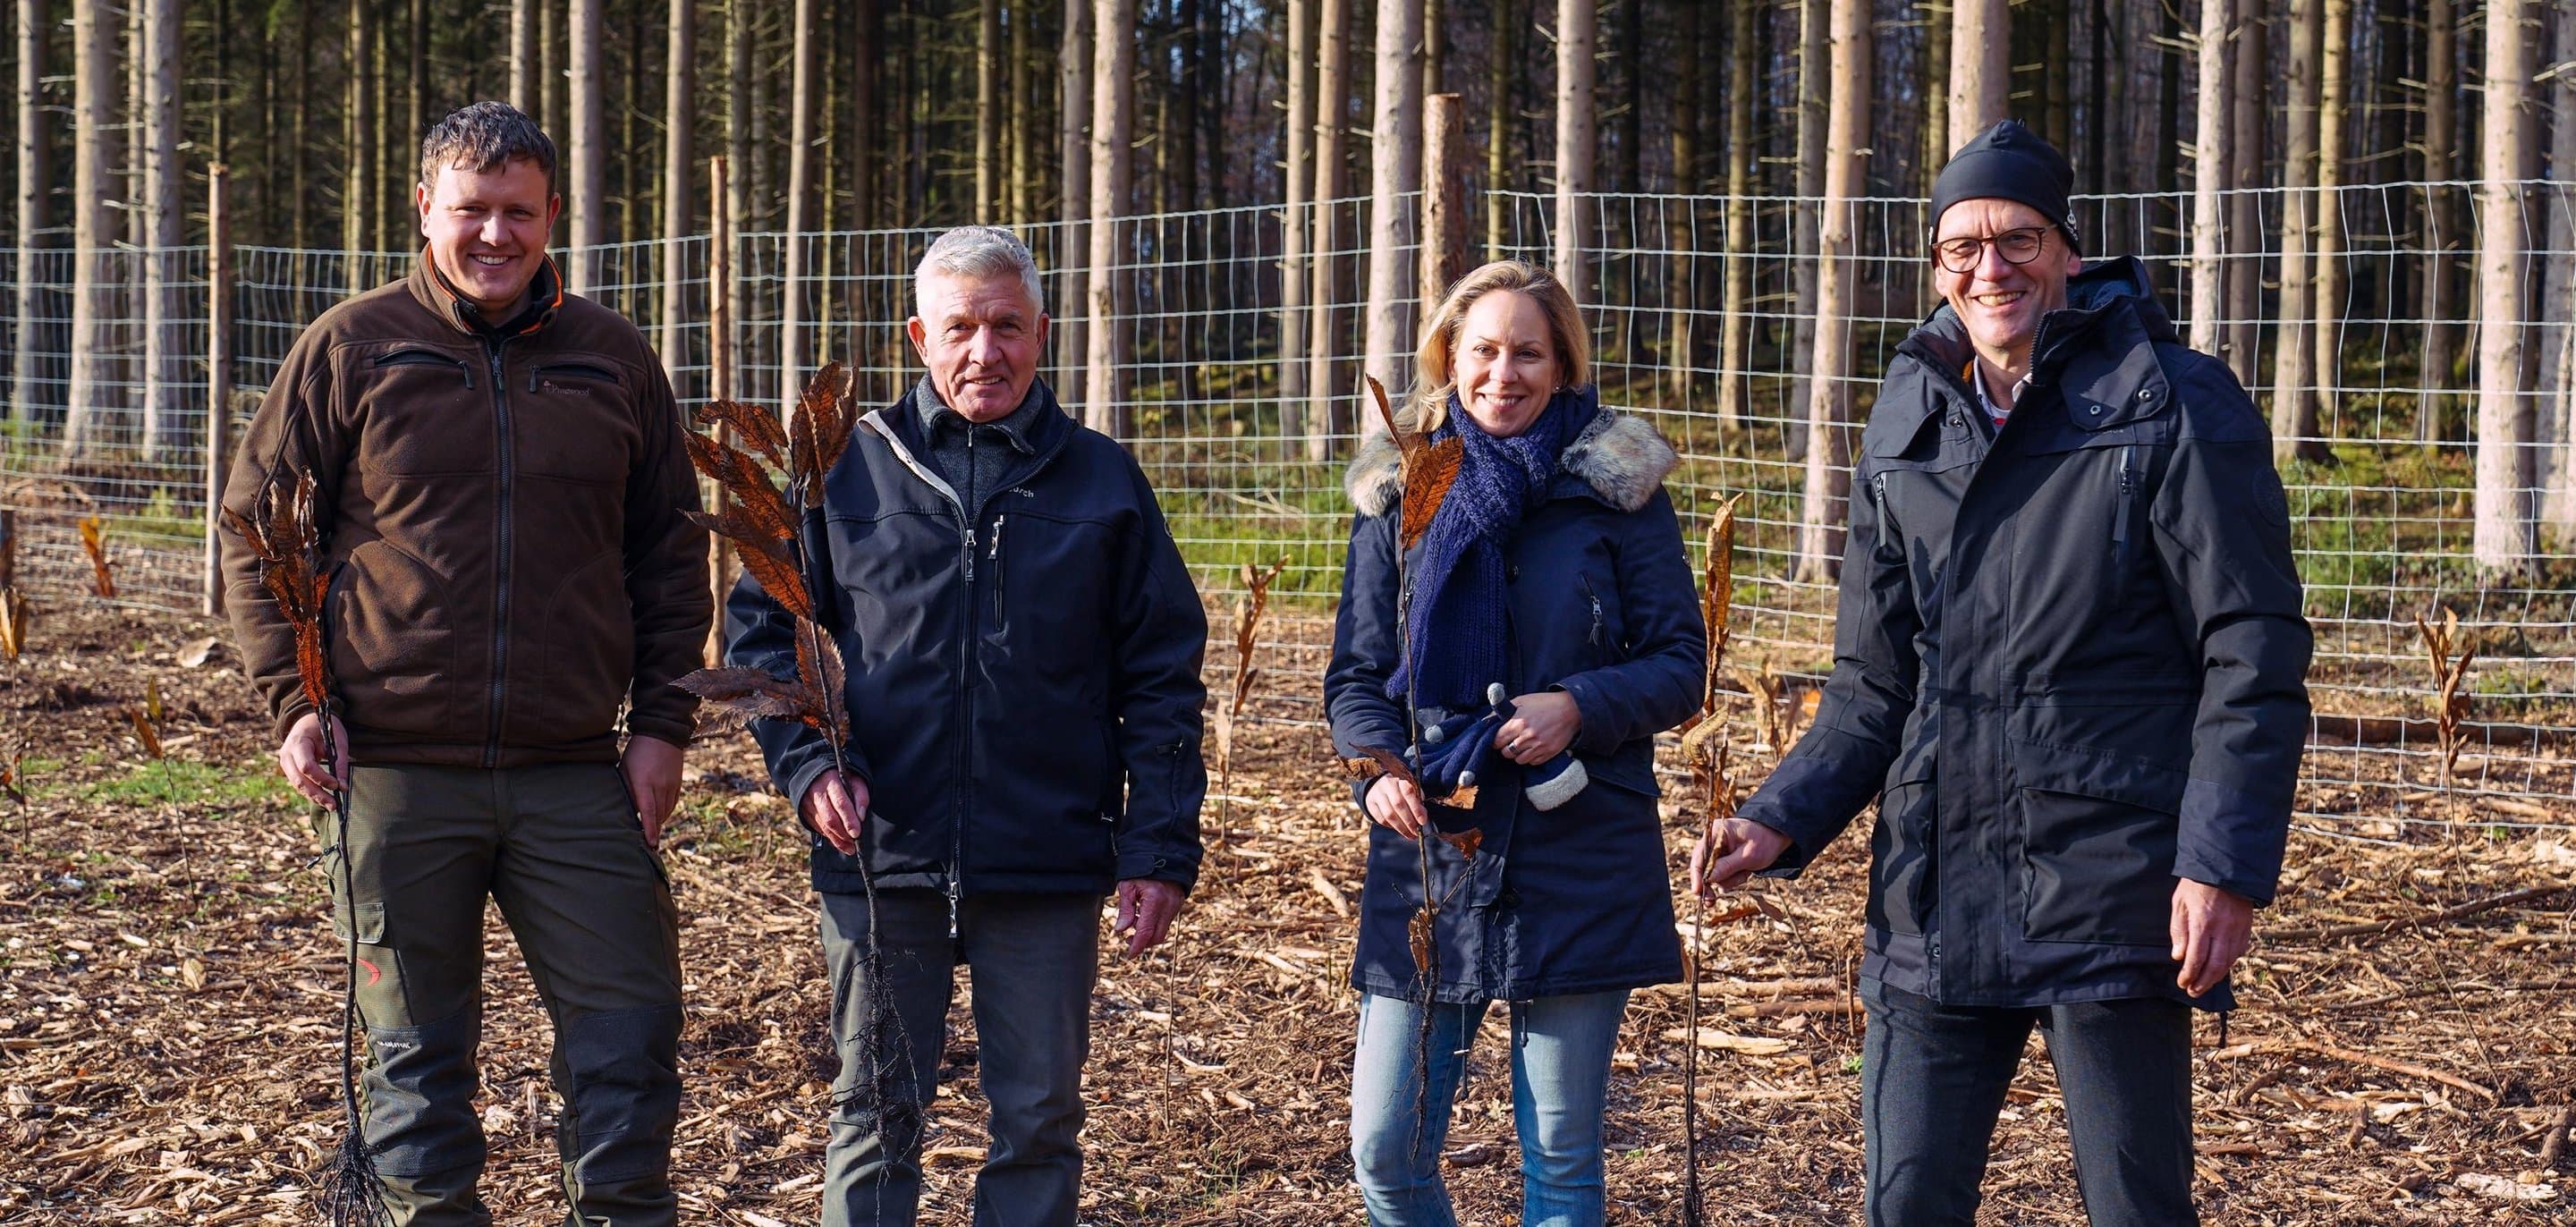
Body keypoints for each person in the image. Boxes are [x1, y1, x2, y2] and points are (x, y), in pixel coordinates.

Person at [1691, 120, 2311, 1225]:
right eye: (1963, 246)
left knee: (2137, 1207)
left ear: (2067, 249)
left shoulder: (2172, 400)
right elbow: (1873, 683)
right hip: (1932, 889)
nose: (1992, 267)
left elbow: (2251, 651)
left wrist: (2221, 866)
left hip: (2112, 887)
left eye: (2019, 238)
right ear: (1937, 264)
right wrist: (1776, 818)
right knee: (1906, 1204)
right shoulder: (1910, 409)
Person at [221, 101, 708, 1225]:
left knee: (630, 1043)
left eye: (519, 212)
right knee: (416, 1069)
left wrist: (662, 726)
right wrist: (295, 703)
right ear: (425, 209)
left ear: (553, 215)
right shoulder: (352, 347)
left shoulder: (611, 359)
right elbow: (258, 533)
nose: (496, 234)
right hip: (390, 770)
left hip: (574, 769)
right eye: (472, 209)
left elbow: (671, 554)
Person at [724, 224, 1208, 1227]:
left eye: (1007, 326)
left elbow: (1163, 676)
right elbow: (766, 636)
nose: (985, 351)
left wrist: (1158, 848)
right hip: (880, 852)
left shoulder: (1102, 481)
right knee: (873, 1113)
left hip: (1046, 857)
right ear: (918, 336)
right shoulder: (841, 472)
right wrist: (810, 767)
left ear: (1042, 332)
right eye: (960, 328)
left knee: (1038, 1120)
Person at [1325, 259, 1706, 1227]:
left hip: (1580, 844)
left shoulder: (1616, 491)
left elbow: (1678, 663)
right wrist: (1377, 771)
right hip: (1431, 848)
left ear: (1562, 363)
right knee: (1385, 1150)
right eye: (1485, 350)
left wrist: (1578, 704)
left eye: (1529, 353)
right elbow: (1357, 676)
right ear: (1450, 359)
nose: (1505, 373)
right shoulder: (1403, 487)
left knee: (1562, 1163)